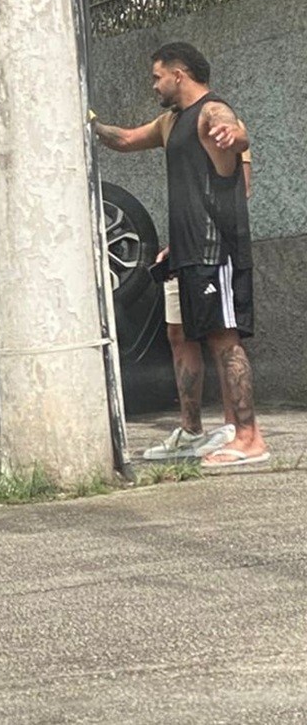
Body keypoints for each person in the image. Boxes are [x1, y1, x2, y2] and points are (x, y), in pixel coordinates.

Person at [95, 42, 267, 468]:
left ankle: (249, 438)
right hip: (185, 249)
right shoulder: (171, 122)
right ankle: (192, 432)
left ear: (179, 74)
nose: (153, 85)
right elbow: (126, 139)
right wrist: (88, 122)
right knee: (180, 335)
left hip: (216, 248)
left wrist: (236, 136)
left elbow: (234, 129)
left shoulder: (213, 112)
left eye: (157, 77)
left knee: (224, 339)